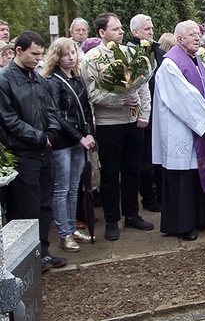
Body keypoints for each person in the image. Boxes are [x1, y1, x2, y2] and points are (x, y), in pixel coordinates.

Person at [152, 20, 205, 241]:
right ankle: (183, 224)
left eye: (198, 33)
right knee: (184, 175)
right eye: (192, 34)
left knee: (197, 171)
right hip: (181, 129)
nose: (197, 37)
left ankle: (203, 216)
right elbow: (183, 97)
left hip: (199, 124)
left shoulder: (197, 62)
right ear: (179, 39)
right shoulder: (170, 65)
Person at [82, 13, 153, 241]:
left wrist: (143, 113)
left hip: (133, 122)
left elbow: (143, 86)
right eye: (115, 29)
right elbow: (92, 93)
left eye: (121, 28)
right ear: (102, 33)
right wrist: (120, 100)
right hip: (109, 124)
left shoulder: (133, 53)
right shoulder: (92, 58)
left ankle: (132, 214)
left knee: (133, 171)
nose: (121, 32)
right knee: (111, 175)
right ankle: (112, 220)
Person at [0, 31, 67, 272]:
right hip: (23, 153)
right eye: (34, 54)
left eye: (41, 53)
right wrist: (37, 137)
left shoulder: (37, 78)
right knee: (26, 208)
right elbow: (8, 119)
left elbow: (50, 109)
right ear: (19, 51)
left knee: (44, 206)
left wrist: (51, 132)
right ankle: (26, 259)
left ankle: (43, 251)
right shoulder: (5, 80)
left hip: (44, 151)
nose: (39, 59)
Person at [42, 38, 96, 252]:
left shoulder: (77, 78)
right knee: (62, 188)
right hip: (64, 142)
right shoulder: (52, 81)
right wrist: (79, 137)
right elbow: (57, 115)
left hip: (80, 140)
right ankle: (63, 233)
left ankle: (72, 227)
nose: (71, 57)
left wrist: (90, 134)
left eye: (73, 52)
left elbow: (86, 109)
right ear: (57, 57)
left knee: (74, 187)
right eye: (65, 54)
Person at [127, 14, 166, 213]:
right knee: (145, 160)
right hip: (142, 113)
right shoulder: (129, 52)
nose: (151, 31)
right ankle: (148, 197)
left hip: (159, 109)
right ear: (135, 32)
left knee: (158, 156)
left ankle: (161, 192)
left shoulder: (156, 49)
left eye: (152, 28)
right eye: (147, 29)